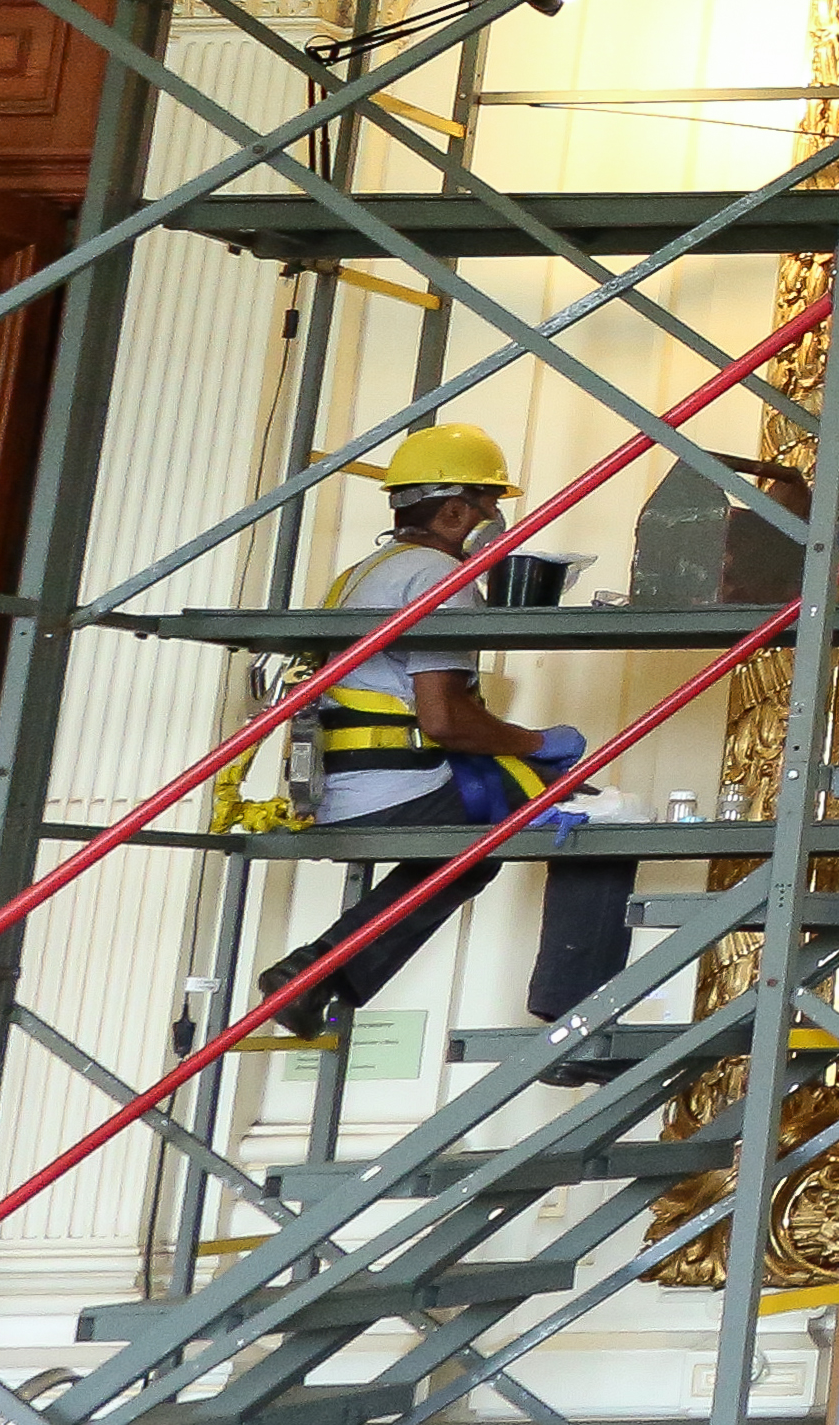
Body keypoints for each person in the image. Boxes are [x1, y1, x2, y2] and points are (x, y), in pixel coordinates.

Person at [259, 424, 621, 1036]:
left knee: (476, 851)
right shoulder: (437, 580)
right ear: (457, 509)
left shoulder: (365, 571)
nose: (498, 519)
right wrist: (537, 743)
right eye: (491, 504)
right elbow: (446, 720)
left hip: (338, 792)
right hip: (394, 792)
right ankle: (576, 1012)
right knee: (598, 821)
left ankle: (315, 973)